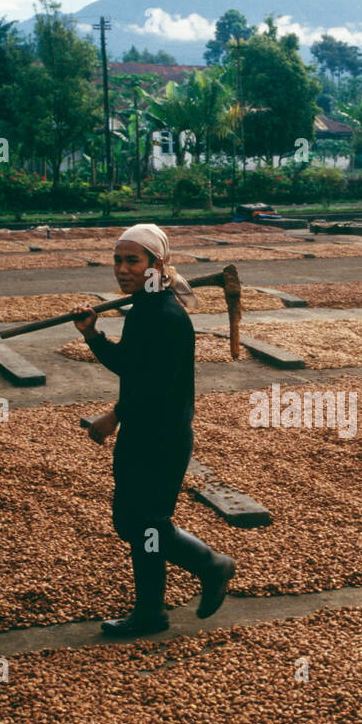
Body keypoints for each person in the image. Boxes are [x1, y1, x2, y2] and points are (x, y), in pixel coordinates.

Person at [72, 224, 235, 637]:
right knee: (138, 523)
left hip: (160, 438)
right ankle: (149, 611)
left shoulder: (162, 315)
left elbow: (143, 377)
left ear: (157, 265)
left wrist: (114, 411)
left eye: (133, 260)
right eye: (118, 260)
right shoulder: (145, 307)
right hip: (146, 430)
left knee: (143, 523)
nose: (122, 269)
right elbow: (137, 372)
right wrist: (93, 336)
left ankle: (211, 564)